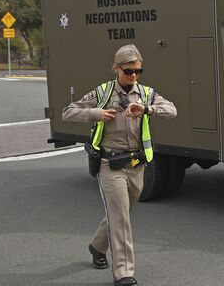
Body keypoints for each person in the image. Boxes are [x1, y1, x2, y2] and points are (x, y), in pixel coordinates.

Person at [62, 44, 176, 286]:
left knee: (122, 214)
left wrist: (148, 109)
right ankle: (124, 273)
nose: (133, 75)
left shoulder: (146, 94)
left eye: (138, 71)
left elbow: (172, 110)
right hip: (109, 165)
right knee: (121, 219)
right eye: (128, 70)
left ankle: (96, 246)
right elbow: (67, 113)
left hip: (137, 164)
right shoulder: (102, 93)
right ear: (116, 68)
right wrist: (96, 113)